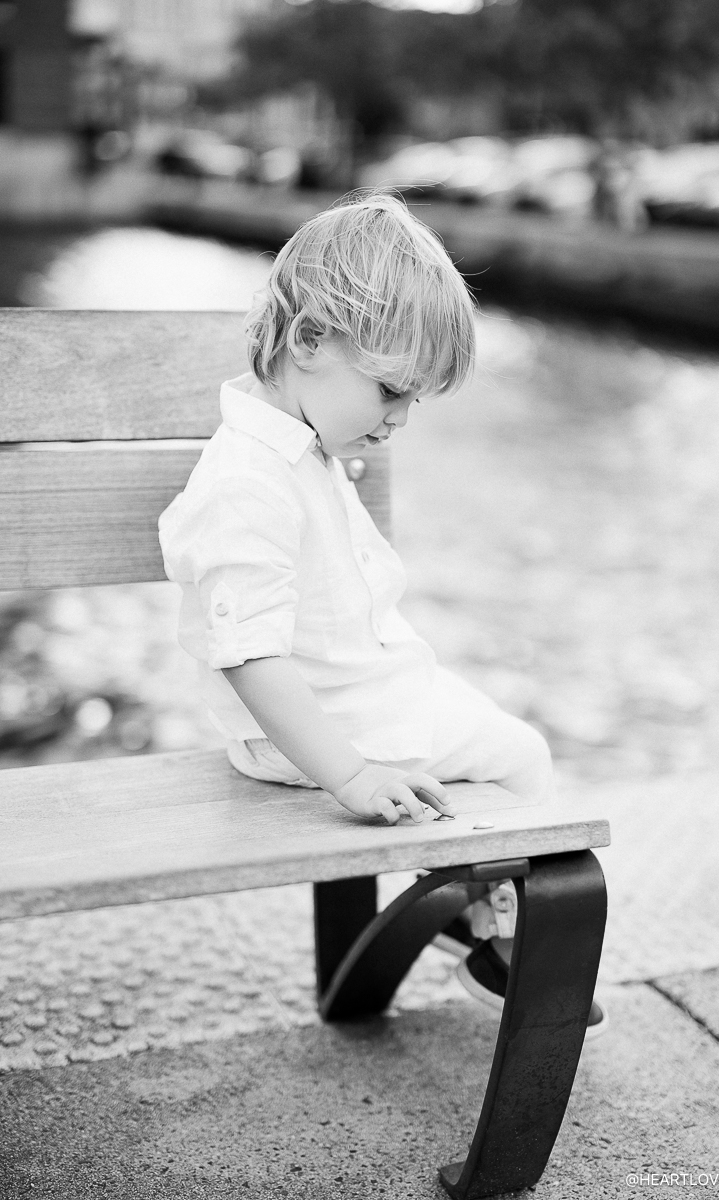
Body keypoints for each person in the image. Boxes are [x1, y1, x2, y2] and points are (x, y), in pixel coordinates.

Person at [158, 191, 605, 1033]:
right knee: (522, 758)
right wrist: (353, 776)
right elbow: (249, 654)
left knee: (496, 738)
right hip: (329, 730)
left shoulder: (298, 447)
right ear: (309, 340)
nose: (399, 420)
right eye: (392, 391)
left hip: (353, 703)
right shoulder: (248, 481)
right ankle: (495, 937)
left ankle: (463, 905)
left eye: (413, 402)